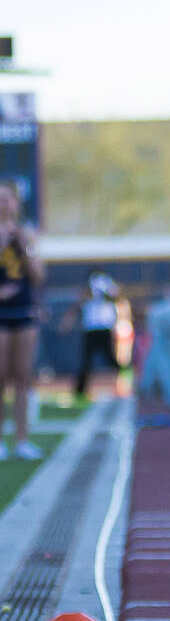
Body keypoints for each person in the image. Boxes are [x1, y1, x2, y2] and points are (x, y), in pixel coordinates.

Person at [0, 182, 45, 460]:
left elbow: (38, 276)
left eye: (8, 200)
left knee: (22, 375)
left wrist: (23, 244)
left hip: (24, 312)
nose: (4, 205)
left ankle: (23, 440)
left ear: (16, 203)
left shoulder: (26, 233)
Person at [72, 272, 120, 398]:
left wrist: (102, 293)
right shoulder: (86, 291)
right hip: (91, 329)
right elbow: (79, 304)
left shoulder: (107, 285)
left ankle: (128, 385)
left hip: (104, 328)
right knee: (86, 362)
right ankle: (80, 391)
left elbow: (115, 297)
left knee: (112, 360)